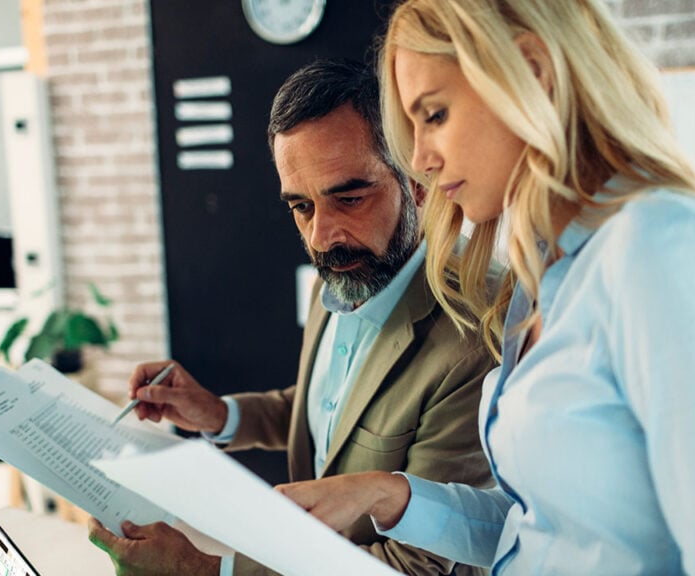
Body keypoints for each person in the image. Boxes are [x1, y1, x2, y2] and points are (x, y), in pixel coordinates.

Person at [275, 1, 695, 574]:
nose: (419, 159)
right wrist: (389, 495)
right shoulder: (542, 277)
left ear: (531, 74)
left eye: (433, 115)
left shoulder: (664, 250)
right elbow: (543, 529)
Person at [88, 58, 496, 576]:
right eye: (301, 207)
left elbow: (418, 568)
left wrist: (210, 572)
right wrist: (219, 414)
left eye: (349, 198)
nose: (322, 236)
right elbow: (331, 415)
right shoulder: (345, 272)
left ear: (416, 182)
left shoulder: (473, 338)